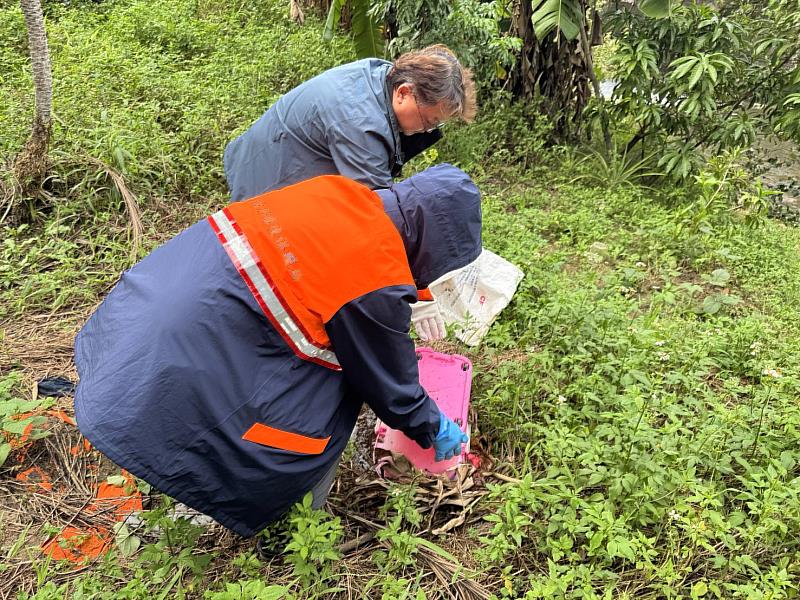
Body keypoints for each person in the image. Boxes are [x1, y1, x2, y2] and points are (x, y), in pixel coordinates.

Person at [73, 163, 481, 538]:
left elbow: (327, 261)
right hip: (194, 350)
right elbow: (389, 385)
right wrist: (432, 426)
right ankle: (288, 527)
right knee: (317, 428)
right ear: (433, 242)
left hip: (147, 310)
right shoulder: (374, 277)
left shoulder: (337, 190)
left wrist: (410, 291)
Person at [223, 44, 476, 201]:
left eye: (434, 126)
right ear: (404, 93)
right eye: (428, 121)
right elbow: (376, 208)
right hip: (265, 183)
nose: (426, 130)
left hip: (266, 155)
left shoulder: (382, 74)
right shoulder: (361, 124)